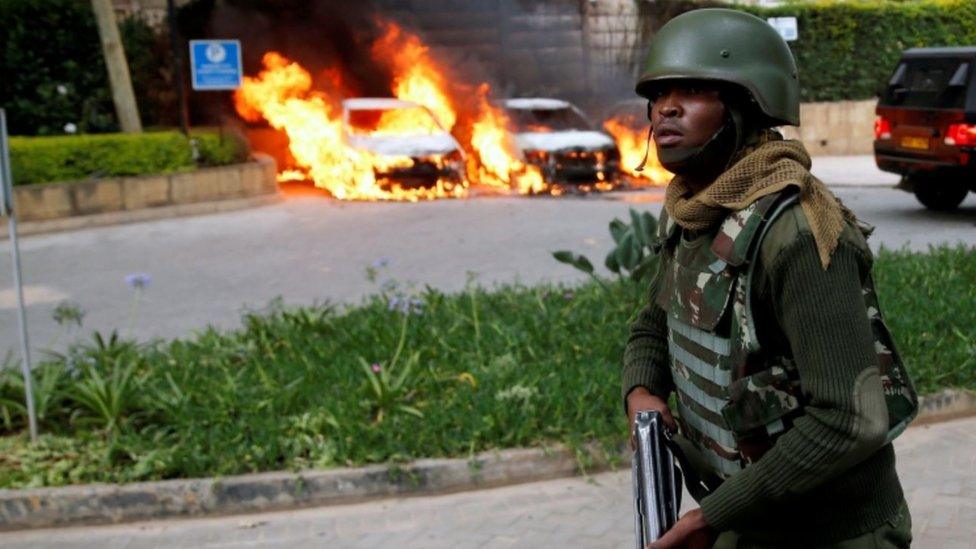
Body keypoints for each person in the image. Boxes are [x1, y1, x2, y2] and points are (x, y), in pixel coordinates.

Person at [621, 9, 917, 549]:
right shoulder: (693, 209)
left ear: (746, 106)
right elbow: (655, 320)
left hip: (830, 534)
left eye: (693, 89)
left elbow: (848, 419)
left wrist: (710, 517)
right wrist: (642, 391)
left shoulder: (798, 232)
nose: (666, 108)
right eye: (660, 93)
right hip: (749, 516)